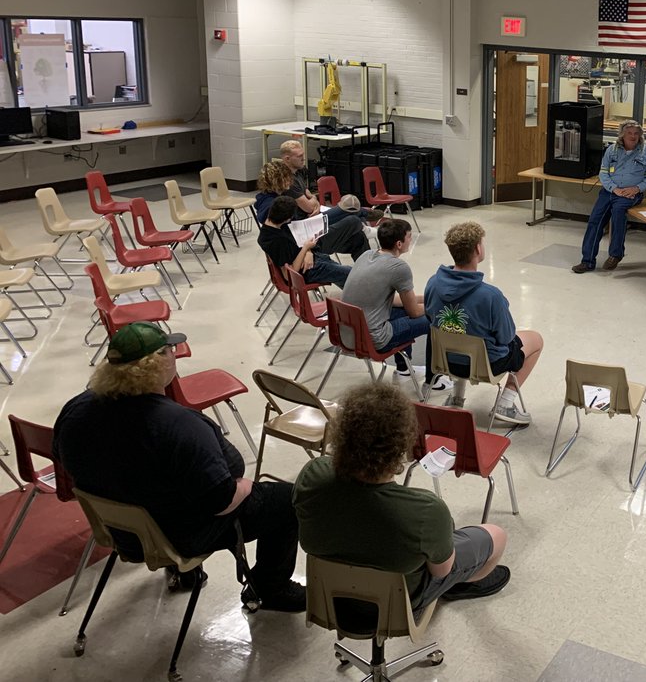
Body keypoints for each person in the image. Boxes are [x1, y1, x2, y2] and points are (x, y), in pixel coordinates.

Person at [53, 323, 305, 611]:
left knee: (152, 483)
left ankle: (184, 574)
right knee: (287, 500)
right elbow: (221, 501)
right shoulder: (178, 424)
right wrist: (245, 486)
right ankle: (272, 589)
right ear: (159, 363)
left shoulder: (75, 409)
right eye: (170, 349)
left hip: (122, 531)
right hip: (177, 536)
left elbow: (67, 465)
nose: (175, 353)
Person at [293, 381, 510, 617]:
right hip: (397, 608)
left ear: (342, 434)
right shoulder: (426, 510)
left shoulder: (313, 474)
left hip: (329, 597)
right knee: (496, 535)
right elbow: (441, 571)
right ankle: (459, 586)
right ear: (403, 445)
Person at [424, 221, 543, 426]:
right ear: (478, 249)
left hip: (445, 361)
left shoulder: (433, 283)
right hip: (486, 366)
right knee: (535, 339)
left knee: (459, 333)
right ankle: (505, 403)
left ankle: (457, 398)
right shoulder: (490, 296)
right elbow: (506, 337)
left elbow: (430, 317)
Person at [341, 218, 446, 395]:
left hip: (348, 334)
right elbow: (414, 312)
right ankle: (432, 381)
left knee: (398, 311)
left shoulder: (366, 256)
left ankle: (403, 368)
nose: (410, 240)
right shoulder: (399, 267)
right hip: (374, 339)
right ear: (399, 243)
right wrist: (436, 307)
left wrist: (427, 299)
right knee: (435, 320)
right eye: (409, 237)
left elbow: (394, 301)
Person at [573, 119, 646, 273]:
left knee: (618, 214)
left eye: (636, 134)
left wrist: (637, 188)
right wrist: (613, 188)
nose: (633, 136)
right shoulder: (612, 150)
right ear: (622, 135)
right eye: (629, 133)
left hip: (631, 193)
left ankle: (616, 255)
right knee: (595, 221)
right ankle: (587, 261)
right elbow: (603, 172)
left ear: (640, 136)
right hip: (610, 191)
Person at [258, 152, 369, 260]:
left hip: (307, 227)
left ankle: (366, 273)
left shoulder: (273, 196)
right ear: (279, 180)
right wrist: (307, 251)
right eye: (288, 178)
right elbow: (286, 237)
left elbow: (309, 199)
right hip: (308, 241)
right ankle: (365, 217)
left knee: (358, 238)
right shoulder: (273, 205)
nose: (291, 181)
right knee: (353, 221)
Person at [257, 195, 351, 288]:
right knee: (353, 274)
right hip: (309, 270)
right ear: (287, 219)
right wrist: (306, 248)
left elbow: (297, 242)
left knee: (346, 274)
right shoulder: (276, 241)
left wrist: (308, 251)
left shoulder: (271, 227)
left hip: (314, 258)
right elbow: (289, 274)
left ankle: (352, 296)